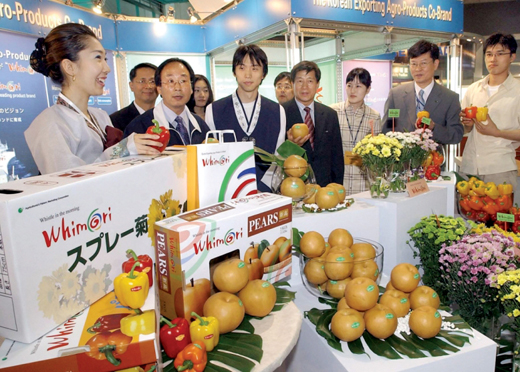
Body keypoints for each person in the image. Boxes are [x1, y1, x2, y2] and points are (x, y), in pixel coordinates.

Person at [25, 23, 162, 175]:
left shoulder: (100, 116)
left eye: (105, 59)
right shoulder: (49, 124)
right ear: (69, 67)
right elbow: (67, 185)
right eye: (97, 58)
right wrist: (122, 149)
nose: (107, 68)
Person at [205, 44, 286, 192]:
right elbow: (213, 158)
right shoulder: (214, 110)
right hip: (227, 192)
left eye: (255, 68)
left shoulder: (277, 111)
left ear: (263, 74)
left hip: (267, 193)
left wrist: (263, 188)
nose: (248, 74)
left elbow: (278, 157)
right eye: (242, 68)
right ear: (234, 72)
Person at [460, 33, 520, 188]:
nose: (493, 59)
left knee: (500, 212)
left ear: (512, 57)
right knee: (465, 212)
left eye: (500, 54)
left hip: (500, 169)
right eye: (489, 54)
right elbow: (465, 129)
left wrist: (497, 132)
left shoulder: (517, 91)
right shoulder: (474, 89)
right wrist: (466, 123)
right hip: (469, 167)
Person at [382, 40, 463, 145]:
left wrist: (433, 127)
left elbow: (456, 135)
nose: (418, 69)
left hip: (433, 159)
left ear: (435, 64)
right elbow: (387, 128)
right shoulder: (396, 95)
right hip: (402, 160)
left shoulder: (450, 98)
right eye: (413, 64)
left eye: (423, 63)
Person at [124, 58, 210, 146]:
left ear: (191, 88)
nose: (177, 88)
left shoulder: (201, 125)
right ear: (159, 88)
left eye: (183, 81)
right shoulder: (139, 127)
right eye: (170, 81)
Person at [284, 60, 344, 187]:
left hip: (324, 188)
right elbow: (275, 156)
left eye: (310, 81)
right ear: (292, 83)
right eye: (300, 81)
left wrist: (336, 188)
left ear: (317, 84)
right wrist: (291, 146)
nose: (304, 86)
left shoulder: (330, 114)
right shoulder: (280, 113)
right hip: (294, 186)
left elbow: (337, 158)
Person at [330, 68, 382, 195]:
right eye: (349, 85)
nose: (352, 90)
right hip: (337, 180)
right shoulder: (332, 112)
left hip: (363, 181)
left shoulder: (374, 116)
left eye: (358, 86)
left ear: (368, 89)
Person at [110, 62, 158, 132]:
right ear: (131, 86)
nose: (148, 86)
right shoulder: (116, 120)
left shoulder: (165, 117)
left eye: (152, 81)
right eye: (142, 81)